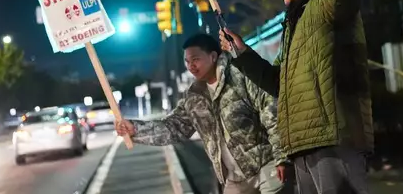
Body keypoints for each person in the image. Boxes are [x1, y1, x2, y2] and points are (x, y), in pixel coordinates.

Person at [219, 0, 373, 194]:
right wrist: (242, 53)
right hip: (302, 143)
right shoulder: (294, 23)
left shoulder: (328, 2)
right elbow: (279, 83)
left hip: (333, 139)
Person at [115, 33, 288, 194]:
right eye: (187, 61)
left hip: (266, 166)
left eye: (195, 59)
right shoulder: (194, 96)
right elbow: (174, 127)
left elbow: (271, 113)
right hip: (233, 179)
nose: (191, 66)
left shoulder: (241, 75)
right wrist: (135, 129)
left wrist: (281, 158)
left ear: (213, 57)